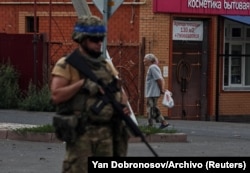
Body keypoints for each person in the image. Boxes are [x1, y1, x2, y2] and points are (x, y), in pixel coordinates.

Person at [50, 15, 131, 173]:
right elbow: (56, 95)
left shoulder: (105, 66)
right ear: (82, 39)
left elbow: (119, 89)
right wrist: (82, 84)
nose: (99, 43)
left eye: (101, 39)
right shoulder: (67, 64)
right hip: (82, 133)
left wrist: (123, 106)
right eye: (94, 40)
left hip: (106, 133)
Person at [143, 53, 169, 129]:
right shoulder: (153, 67)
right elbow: (161, 79)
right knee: (152, 108)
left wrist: (162, 89)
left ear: (150, 60)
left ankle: (160, 123)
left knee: (151, 108)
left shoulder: (152, 67)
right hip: (151, 93)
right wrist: (162, 89)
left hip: (152, 93)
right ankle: (155, 123)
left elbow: (159, 79)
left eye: (145, 59)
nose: (143, 60)